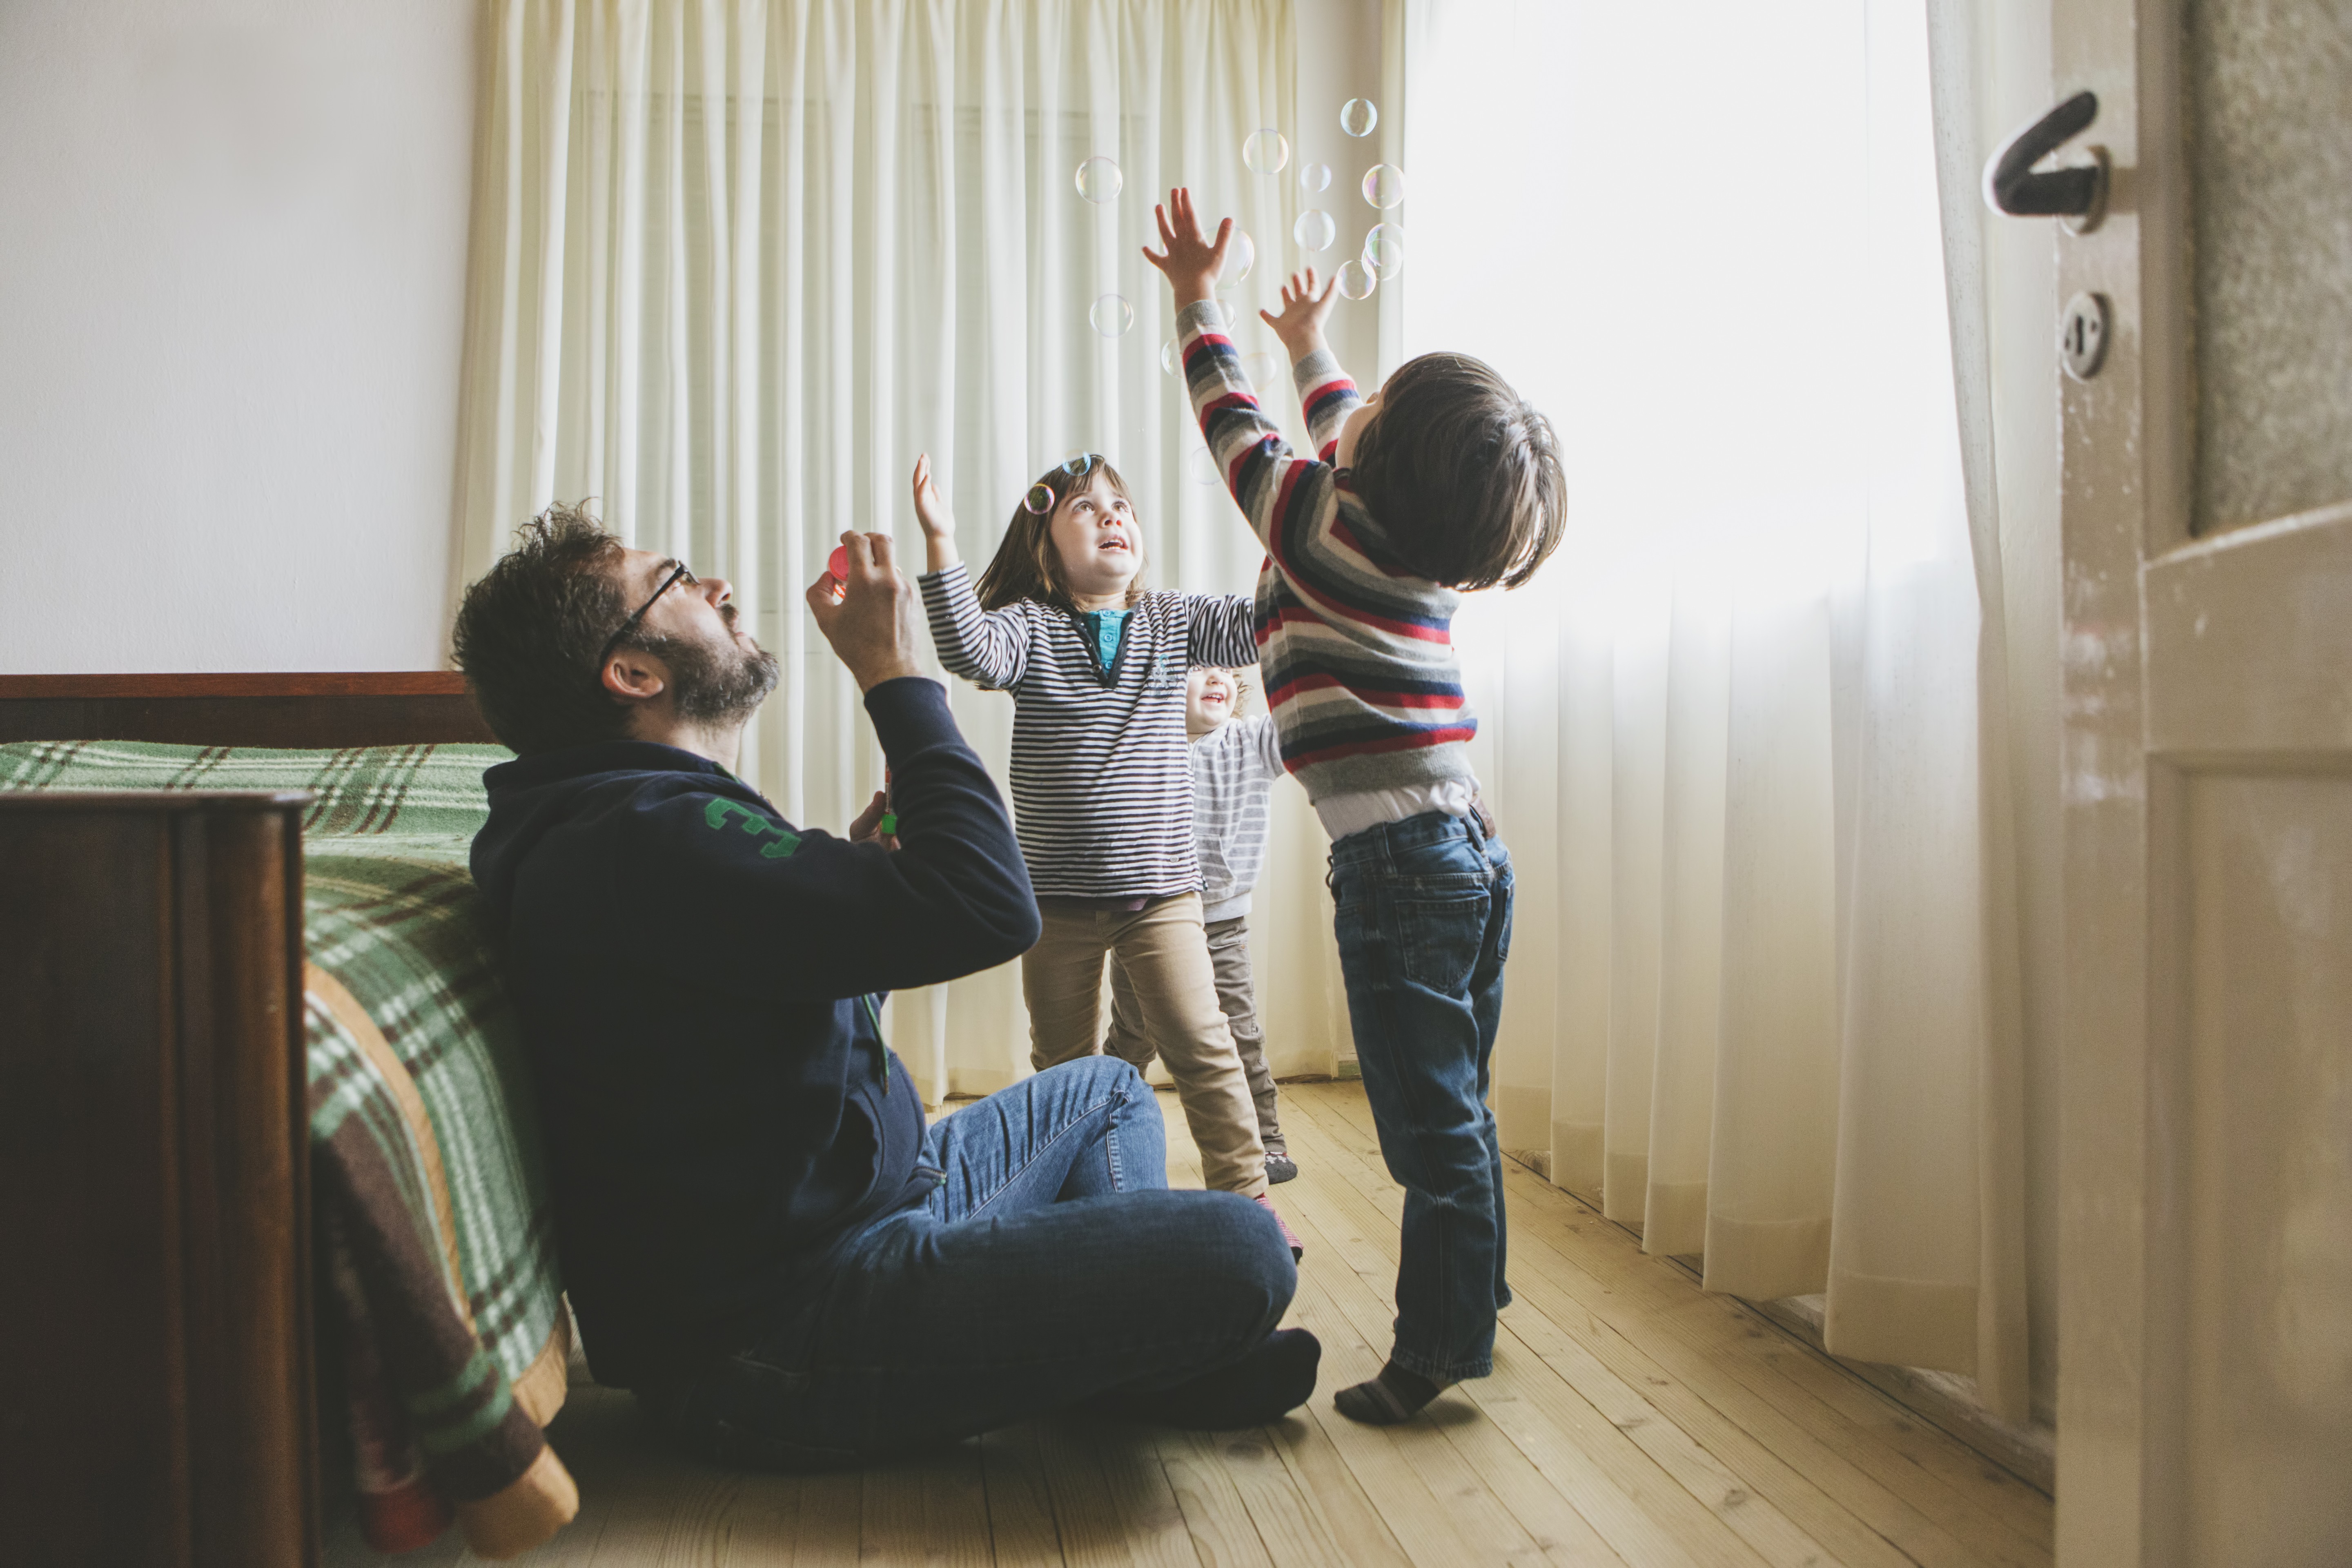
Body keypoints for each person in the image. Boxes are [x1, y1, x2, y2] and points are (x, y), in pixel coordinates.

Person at [450, 504, 1319, 1467]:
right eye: (680, 580)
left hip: (872, 1213)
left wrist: (857, 875)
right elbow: (995, 904)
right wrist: (892, 669)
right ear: (634, 672)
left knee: (1108, 1090)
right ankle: (1117, 1348)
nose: (719, 588)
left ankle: (1111, 1345)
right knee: (1241, 1250)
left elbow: (759, 1012)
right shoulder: (648, 837)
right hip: (790, 1332)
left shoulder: (630, 829)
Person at [1143, 189, 1567, 1427]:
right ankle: (1471, 1300)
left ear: (1375, 467)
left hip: (1402, 865)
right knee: (1460, 1104)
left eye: (1371, 409)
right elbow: (1341, 424)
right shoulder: (1401, 537)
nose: (1350, 408)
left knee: (1427, 1126)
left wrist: (1196, 299)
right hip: (1467, 850)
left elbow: (1236, 430)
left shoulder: (1318, 526)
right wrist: (1313, 344)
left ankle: (1437, 1347)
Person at [910, 453, 1298, 1249]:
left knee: (1204, 1045)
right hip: (1055, 903)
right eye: (1085, 507)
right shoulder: (1029, 629)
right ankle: (1076, 1210)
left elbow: (1263, 621)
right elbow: (968, 651)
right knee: (1063, 1067)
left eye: (1121, 504)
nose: (1111, 515)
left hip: (1164, 897)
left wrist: (1295, 531)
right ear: (1046, 549)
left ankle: (1250, 1203)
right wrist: (941, 542)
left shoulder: (1171, 620)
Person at [1104, 665, 1298, 1183]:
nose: (1216, 677)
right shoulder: (1142, 745)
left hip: (1223, 924)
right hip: (1147, 923)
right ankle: (1097, 1129)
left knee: (1240, 1031)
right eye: (1197, 668)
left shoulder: (1251, 741)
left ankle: (1267, 1141)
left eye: (1225, 670)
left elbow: (1299, 722)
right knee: (1133, 1032)